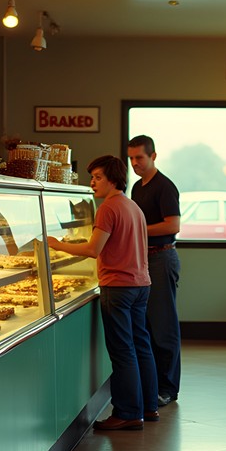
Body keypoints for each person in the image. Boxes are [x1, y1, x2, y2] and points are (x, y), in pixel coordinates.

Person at [48, 155, 159, 431]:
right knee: (141, 346)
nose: (92, 182)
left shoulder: (108, 208)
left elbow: (92, 249)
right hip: (140, 284)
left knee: (123, 351)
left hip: (118, 287)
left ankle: (128, 412)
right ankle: (149, 406)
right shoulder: (133, 206)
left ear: (113, 178)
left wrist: (58, 245)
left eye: (97, 177)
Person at [127, 135, 182, 407]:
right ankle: (152, 384)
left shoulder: (164, 186)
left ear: (153, 157)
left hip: (162, 258)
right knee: (148, 325)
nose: (135, 163)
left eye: (140, 157)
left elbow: (173, 225)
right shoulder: (137, 187)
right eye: (132, 158)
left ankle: (168, 388)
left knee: (163, 325)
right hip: (144, 259)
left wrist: (137, 230)